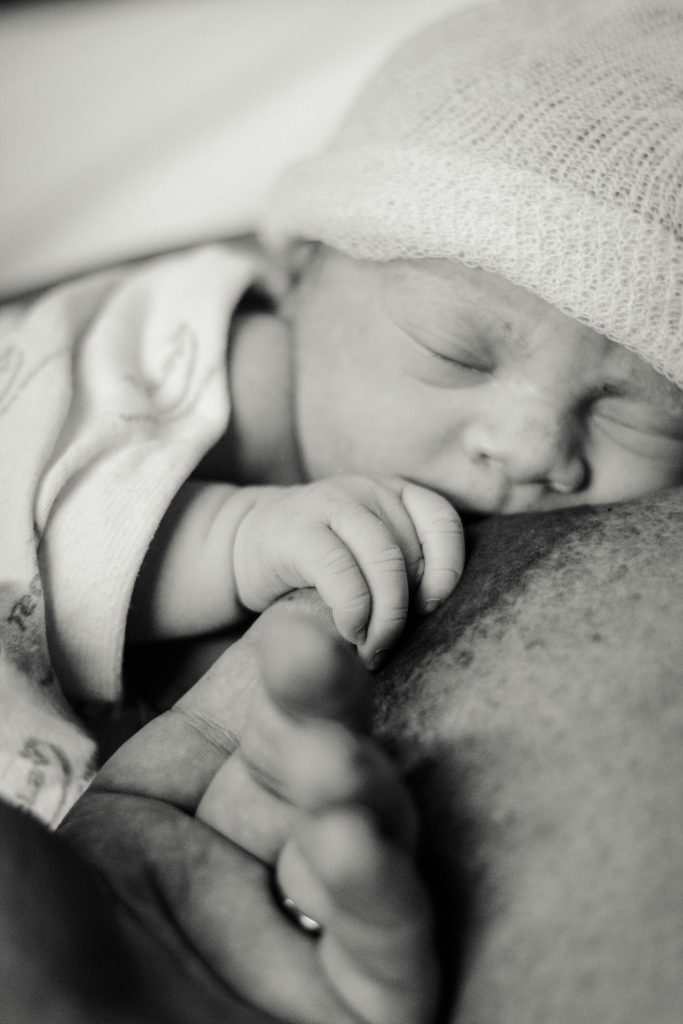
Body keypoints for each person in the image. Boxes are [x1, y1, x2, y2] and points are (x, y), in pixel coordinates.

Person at [1, 0, 683, 1019]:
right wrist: (223, 537)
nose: (535, 444)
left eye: (641, 411)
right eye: (459, 350)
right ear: (297, 271)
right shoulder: (168, 351)